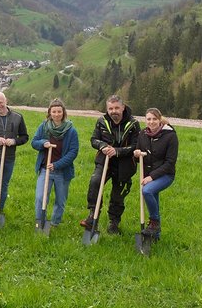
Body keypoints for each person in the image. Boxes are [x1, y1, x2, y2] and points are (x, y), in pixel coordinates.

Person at [80, 95, 141, 234]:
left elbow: (136, 145)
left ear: (123, 107)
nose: (114, 111)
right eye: (110, 108)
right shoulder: (101, 121)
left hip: (125, 164)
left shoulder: (133, 124)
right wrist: (102, 146)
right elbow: (93, 139)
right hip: (104, 161)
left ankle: (114, 223)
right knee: (95, 182)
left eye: (116, 108)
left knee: (118, 195)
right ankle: (92, 216)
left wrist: (117, 151)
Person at [31, 98, 79, 226]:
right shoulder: (44, 127)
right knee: (40, 198)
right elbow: (34, 142)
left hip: (63, 172)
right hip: (45, 169)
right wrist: (43, 143)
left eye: (59, 111)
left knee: (60, 200)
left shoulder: (71, 131)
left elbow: (73, 152)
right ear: (49, 113)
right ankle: (40, 221)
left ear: (63, 112)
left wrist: (57, 165)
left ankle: (55, 223)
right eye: (54, 111)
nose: (57, 114)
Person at [133, 108, 178, 239]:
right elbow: (138, 156)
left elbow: (170, 163)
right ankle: (155, 236)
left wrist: (151, 177)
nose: (151, 122)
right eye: (148, 119)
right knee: (153, 197)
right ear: (145, 120)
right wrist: (136, 154)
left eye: (154, 119)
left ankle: (154, 223)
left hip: (166, 175)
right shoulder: (142, 134)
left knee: (147, 191)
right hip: (148, 175)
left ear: (159, 120)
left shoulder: (170, 136)